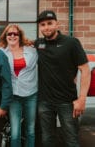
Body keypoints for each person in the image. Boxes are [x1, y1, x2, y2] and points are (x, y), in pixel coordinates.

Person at [35, 10, 91, 147]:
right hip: (44, 102)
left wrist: (82, 99)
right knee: (47, 140)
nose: (46, 27)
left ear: (57, 24)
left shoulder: (71, 43)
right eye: (42, 25)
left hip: (67, 102)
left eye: (49, 23)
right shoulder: (38, 44)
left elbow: (85, 70)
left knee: (71, 140)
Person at [0, 24, 38, 147]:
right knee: (15, 132)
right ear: (6, 36)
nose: (13, 36)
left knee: (30, 130)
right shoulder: (1, 52)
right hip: (13, 96)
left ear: (20, 36)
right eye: (10, 34)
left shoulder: (32, 51)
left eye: (15, 33)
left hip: (31, 94)